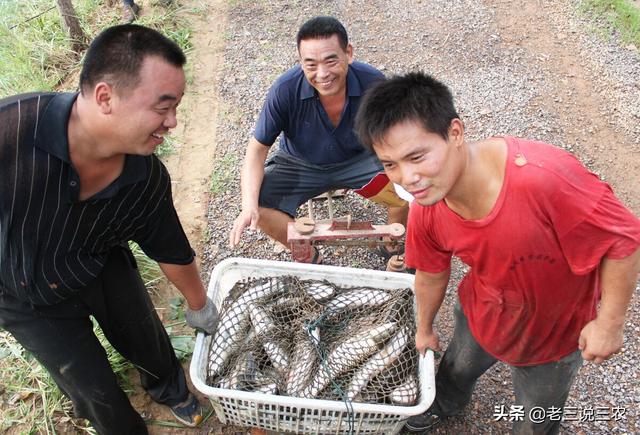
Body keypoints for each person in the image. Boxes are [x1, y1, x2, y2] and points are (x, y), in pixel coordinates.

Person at [355, 72, 640, 433]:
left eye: (417, 156)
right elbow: (430, 272)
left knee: (537, 416)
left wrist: (609, 324)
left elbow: (624, 239)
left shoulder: (544, 179)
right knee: (457, 368)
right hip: (483, 312)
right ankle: (445, 403)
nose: (407, 178)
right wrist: (424, 328)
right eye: (390, 164)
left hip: (554, 332)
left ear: (455, 133)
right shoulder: (427, 208)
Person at [0, 24, 218, 434]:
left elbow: (170, 249)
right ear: (105, 97)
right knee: (88, 384)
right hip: (21, 288)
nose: (172, 122)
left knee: (145, 339)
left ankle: (171, 390)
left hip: (100, 262)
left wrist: (198, 305)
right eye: (162, 106)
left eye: (177, 106)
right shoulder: (10, 134)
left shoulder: (145, 176)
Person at [229, 16, 409, 263]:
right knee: (258, 206)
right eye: (310, 64)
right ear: (300, 61)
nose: (322, 74)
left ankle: (391, 245)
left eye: (331, 60)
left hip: (359, 160)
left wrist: (403, 171)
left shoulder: (373, 83)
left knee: (407, 188)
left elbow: (396, 134)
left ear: (349, 53)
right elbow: (256, 150)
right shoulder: (284, 90)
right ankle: (309, 256)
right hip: (300, 163)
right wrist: (247, 204)